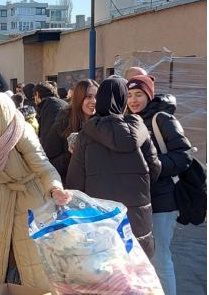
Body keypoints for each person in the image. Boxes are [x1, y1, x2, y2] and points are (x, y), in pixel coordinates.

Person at [0, 90, 71, 291]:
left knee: (34, 275)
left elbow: (44, 167)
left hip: (30, 208)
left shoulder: (18, 130)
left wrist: (55, 189)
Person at [66, 77, 162, 257]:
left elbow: (75, 181)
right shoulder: (139, 129)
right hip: (136, 217)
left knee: (107, 274)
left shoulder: (87, 134)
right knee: (136, 270)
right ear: (123, 99)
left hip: (100, 219)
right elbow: (155, 169)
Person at [127, 74, 191, 295]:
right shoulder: (129, 119)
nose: (133, 100)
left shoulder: (160, 119)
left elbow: (183, 155)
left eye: (139, 94)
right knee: (140, 261)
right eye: (130, 95)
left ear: (149, 95)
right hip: (138, 201)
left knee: (160, 260)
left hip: (162, 202)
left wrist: (154, 166)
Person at [42, 79, 98, 179]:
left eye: (96, 97)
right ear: (79, 98)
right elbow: (49, 163)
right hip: (71, 186)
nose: (94, 101)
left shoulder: (102, 122)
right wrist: (71, 154)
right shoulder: (63, 122)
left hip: (95, 185)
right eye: (88, 97)